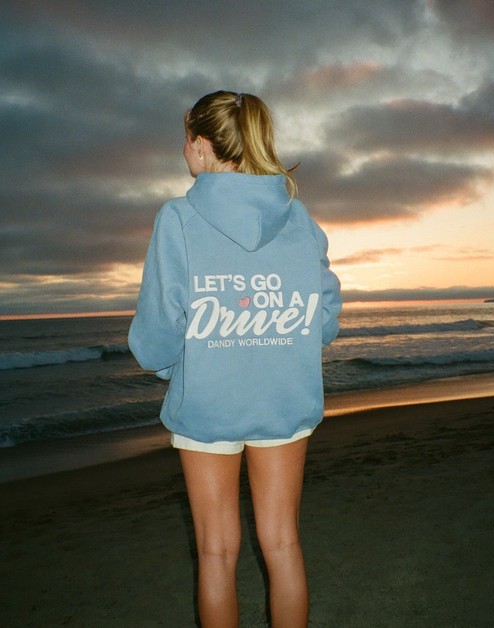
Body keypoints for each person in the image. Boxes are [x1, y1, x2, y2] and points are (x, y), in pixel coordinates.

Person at [128, 90, 341, 628]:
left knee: (216, 552)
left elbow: (157, 334)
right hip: (284, 399)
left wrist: (183, 367)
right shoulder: (299, 219)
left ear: (203, 146)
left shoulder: (178, 219)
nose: (184, 151)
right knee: (283, 543)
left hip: (207, 405)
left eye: (186, 141)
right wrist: (278, 349)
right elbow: (324, 319)